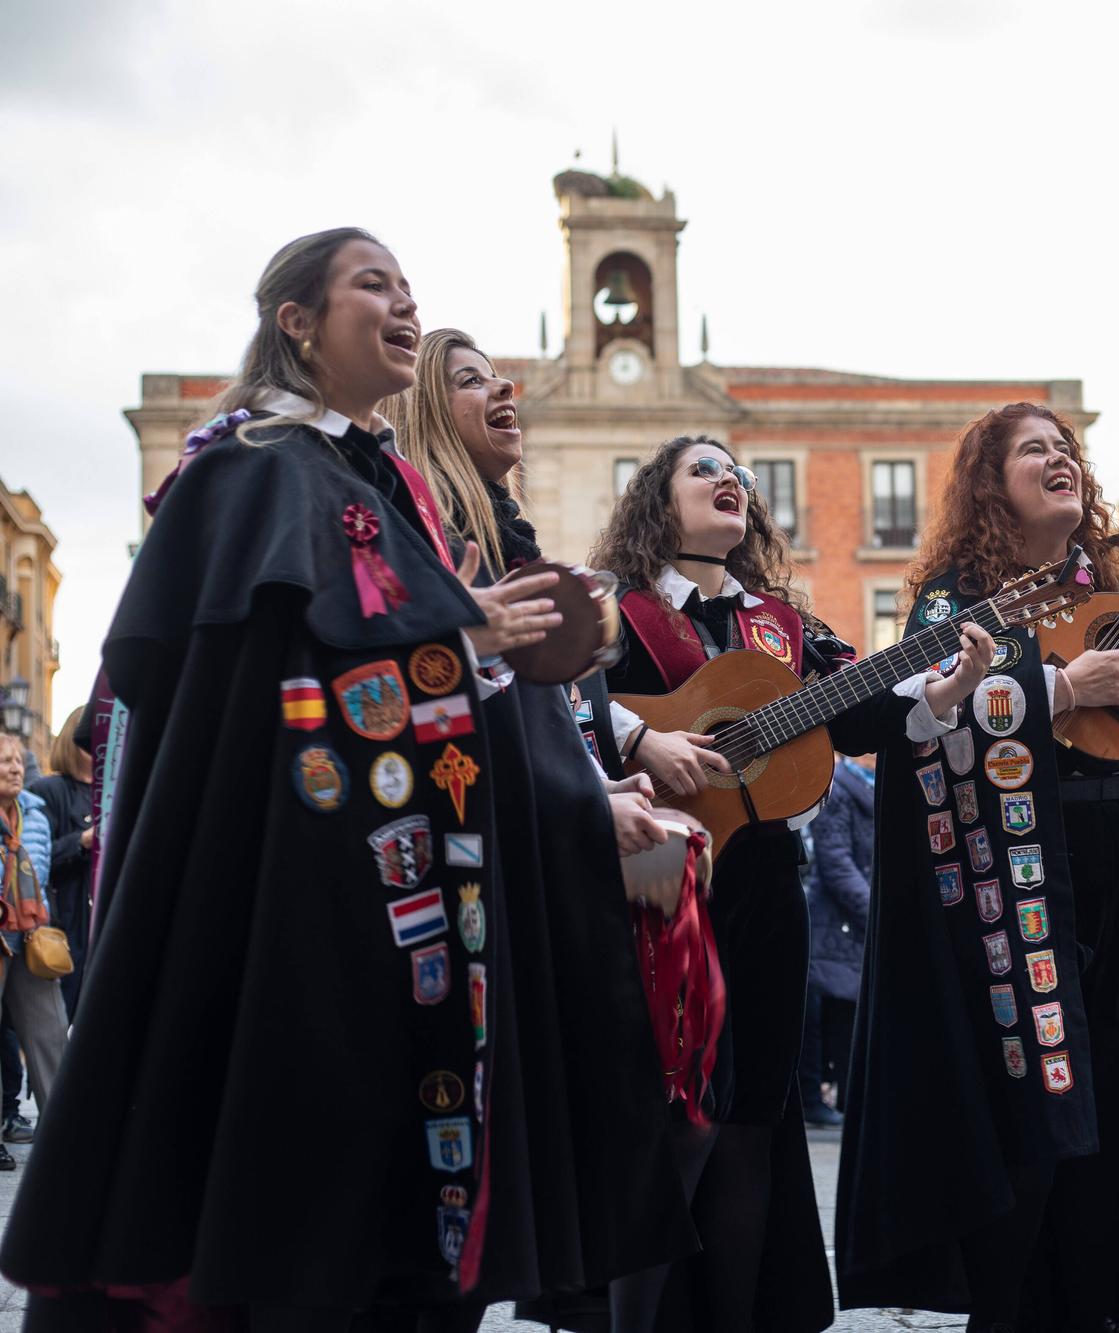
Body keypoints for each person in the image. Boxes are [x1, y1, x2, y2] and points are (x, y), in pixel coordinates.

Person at [0, 229, 676, 1332]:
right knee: (304, 1230)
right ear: (297, 321)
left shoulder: (383, 480)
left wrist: (535, 717)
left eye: (411, 287)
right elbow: (243, 679)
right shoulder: (249, 467)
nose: (405, 303)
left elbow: (420, 661)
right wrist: (461, 633)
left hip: (402, 906)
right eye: (375, 284)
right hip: (294, 906)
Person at [836, 402, 1119, 1332]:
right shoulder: (955, 600)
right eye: (1036, 450)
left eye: (1068, 449)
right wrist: (1060, 689)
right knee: (1038, 1110)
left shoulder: (1108, 588)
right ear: (993, 481)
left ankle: (1107, 1305)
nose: (1060, 459)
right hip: (1018, 890)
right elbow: (928, 724)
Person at [387, 327, 700, 1309]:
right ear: (429, 411)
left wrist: (604, 773)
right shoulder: (423, 534)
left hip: (523, 877)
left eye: (501, 374)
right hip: (458, 897)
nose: (504, 389)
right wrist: (585, 793)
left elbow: (536, 713)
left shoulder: (504, 539)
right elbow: (457, 710)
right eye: (472, 379)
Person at [591, 433, 850, 1333]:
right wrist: (635, 735)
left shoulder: (779, 623)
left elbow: (860, 715)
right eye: (703, 469)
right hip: (657, 879)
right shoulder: (614, 611)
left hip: (766, 887)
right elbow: (556, 697)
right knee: (671, 1121)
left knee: (750, 1123)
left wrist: (953, 677)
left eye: (736, 471)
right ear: (656, 500)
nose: (729, 479)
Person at [0, 733, 65, 1154]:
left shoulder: (35, 815)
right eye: (4, 761)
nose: (15, 768)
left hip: (29, 935)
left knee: (51, 1031)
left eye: (20, 761)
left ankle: (66, 1132)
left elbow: (41, 873)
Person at [804, 752, 873, 1116]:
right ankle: (826, 1098)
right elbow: (836, 863)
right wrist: (875, 909)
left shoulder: (873, 788)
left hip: (857, 918)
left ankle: (851, 1098)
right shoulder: (840, 788)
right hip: (840, 921)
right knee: (839, 1016)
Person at [29, 706, 95, 1026]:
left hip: (98, 923)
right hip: (61, 928)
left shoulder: (112, 792)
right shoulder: (49, 792)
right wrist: (81, 841)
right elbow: (34, 858)